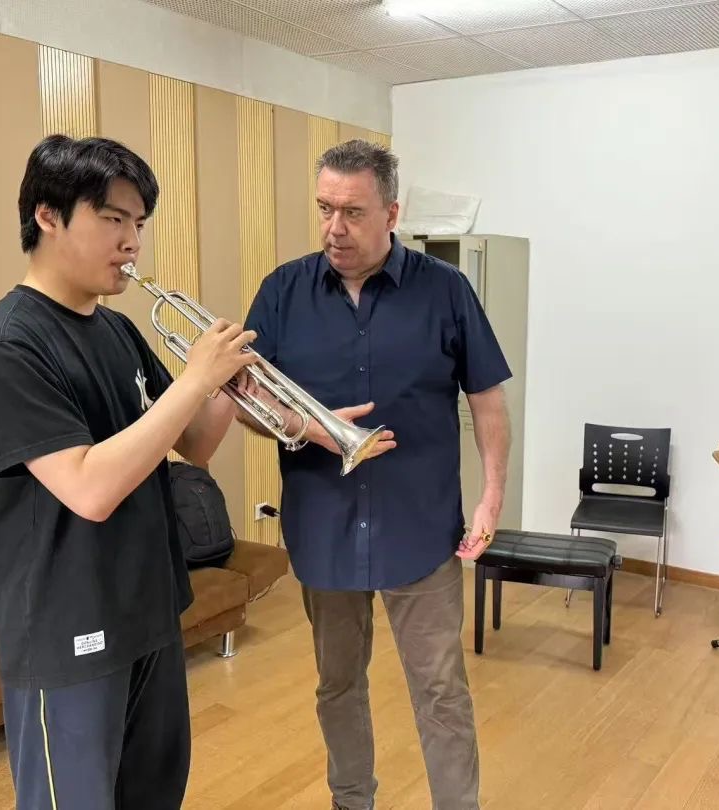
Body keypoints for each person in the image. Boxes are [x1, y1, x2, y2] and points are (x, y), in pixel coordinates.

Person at [0, 134, 258, 810]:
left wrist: (230, 387)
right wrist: (196, 378)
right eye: (113, 219)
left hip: (147, 610)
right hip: (68, 628)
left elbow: (193, 442)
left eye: (139, 223)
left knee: (154, 795)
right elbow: (88, 489)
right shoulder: (7, 343)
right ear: (47, 215)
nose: (132, 242)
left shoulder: (117, 330)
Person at [239, 139, 512, 810]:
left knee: (441, 689)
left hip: (420, 528)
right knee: (337, 686)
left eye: (353, 212)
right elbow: (247, 400)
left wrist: (491, 498)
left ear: (391, 213)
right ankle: (351, 801)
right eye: (324, 209)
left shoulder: (446, 289)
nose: (334, 228)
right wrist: (307, 427)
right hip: (323, 527)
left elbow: (487, 399)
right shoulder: (281, 291)